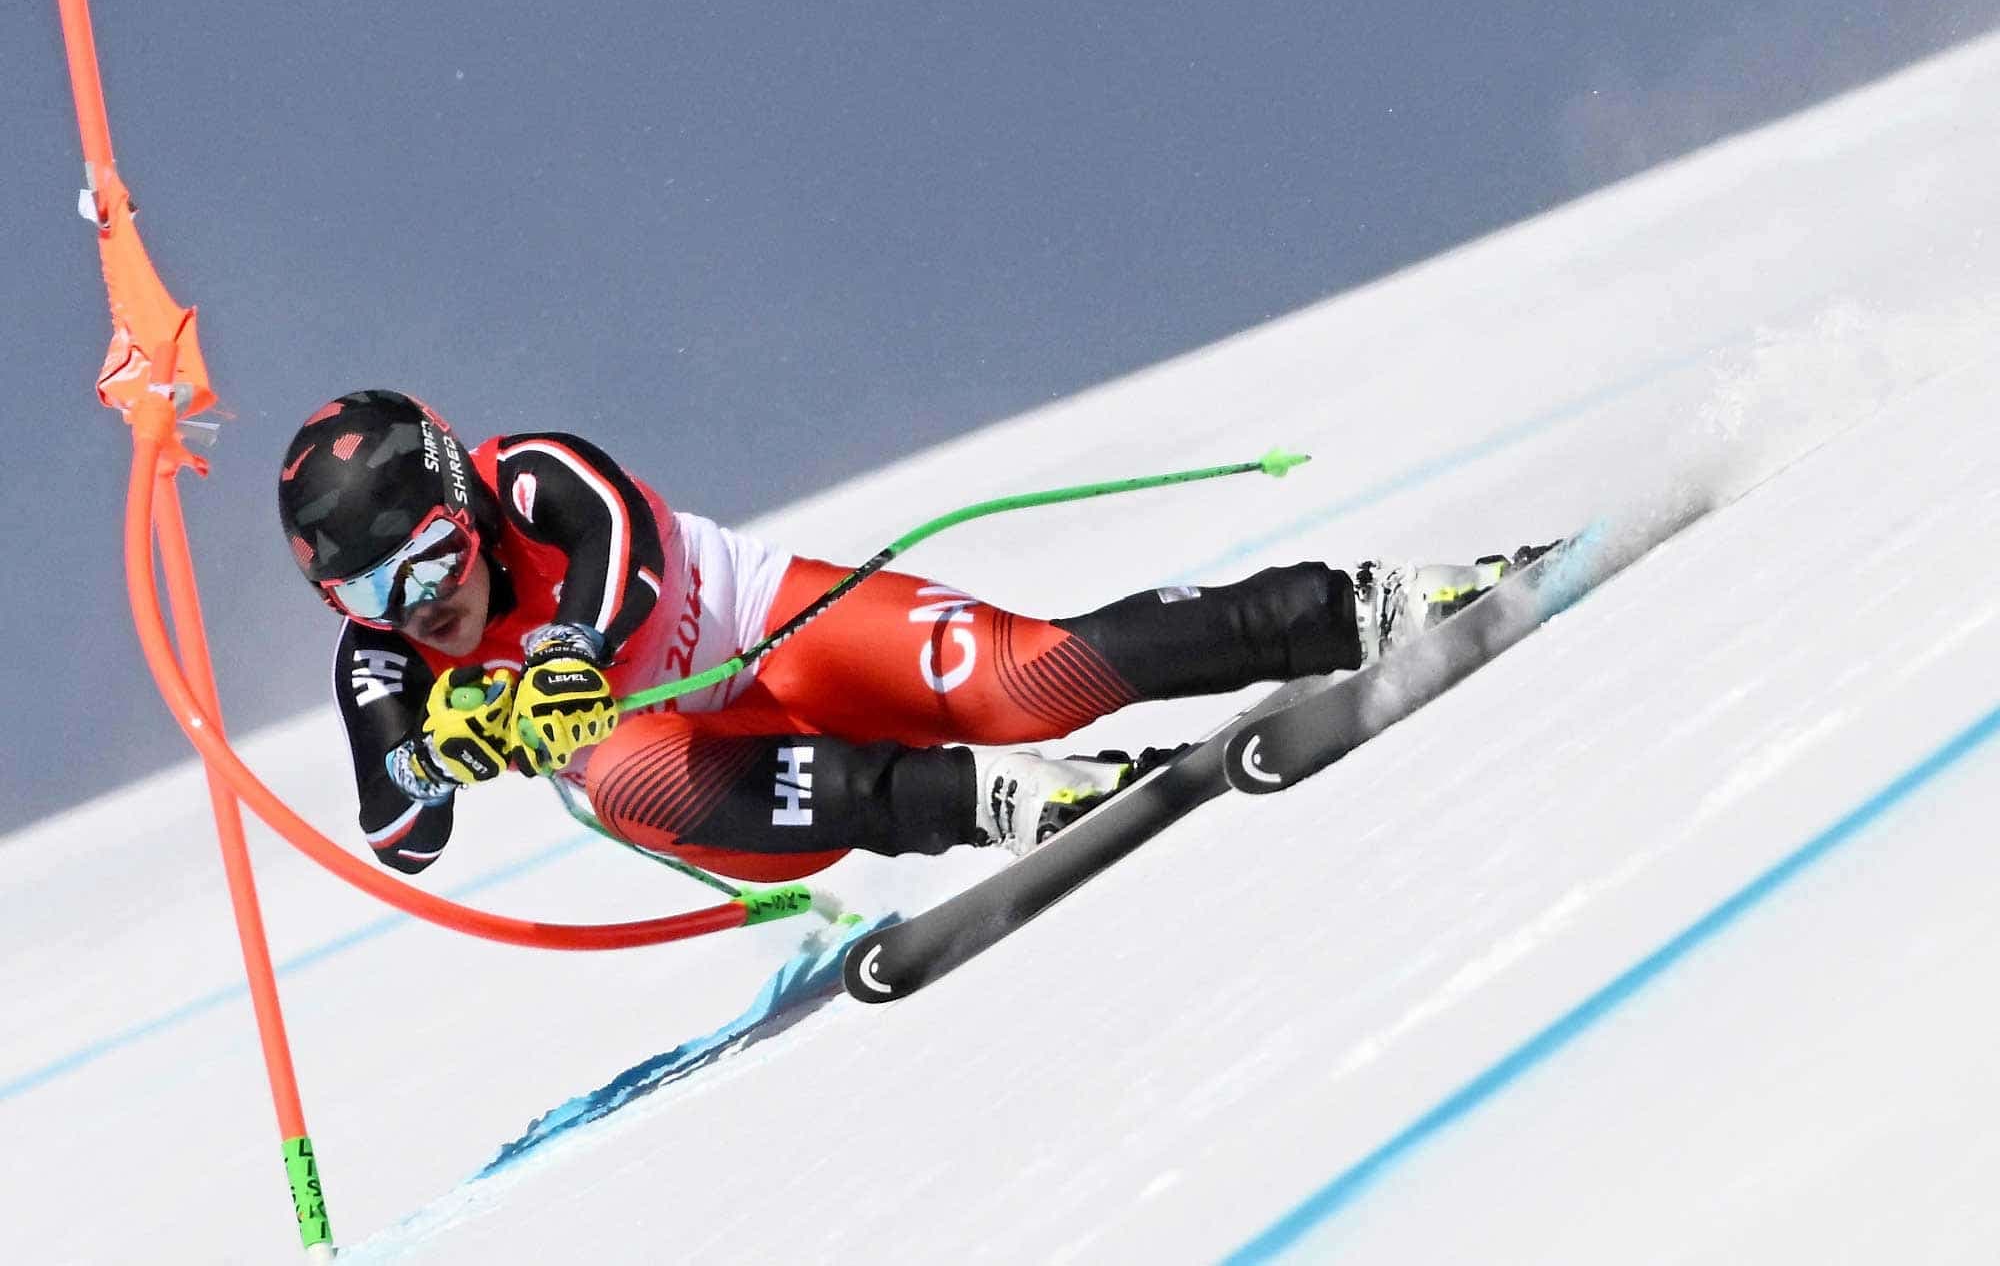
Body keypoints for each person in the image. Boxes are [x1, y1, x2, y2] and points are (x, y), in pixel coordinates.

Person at [279, 390, 1542, 883]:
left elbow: (627, 553)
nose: (420, 608)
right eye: (374, 598)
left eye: (433, 565)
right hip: (727, 791)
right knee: (617, 772)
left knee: (1025, 680)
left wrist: (560, 659)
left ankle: (1364, 605)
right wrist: (436, 751)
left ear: (465, 506)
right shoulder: (386, 659)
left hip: (775, 625)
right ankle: (984, 801)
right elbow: (402, 836)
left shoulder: (535, 476)